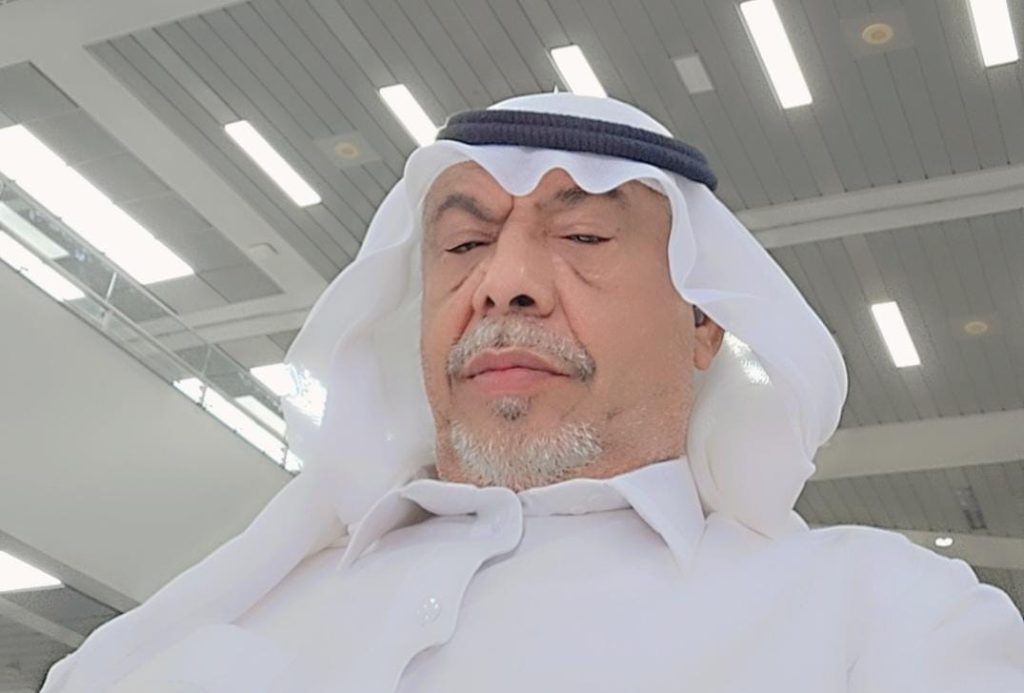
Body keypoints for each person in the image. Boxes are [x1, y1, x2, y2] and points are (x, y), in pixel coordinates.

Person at [43, 94, 1024, 692]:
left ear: (704, 323)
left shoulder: (881, 617)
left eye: (583, 235)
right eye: (464, 243)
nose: (502, 282)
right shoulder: (221, 609)